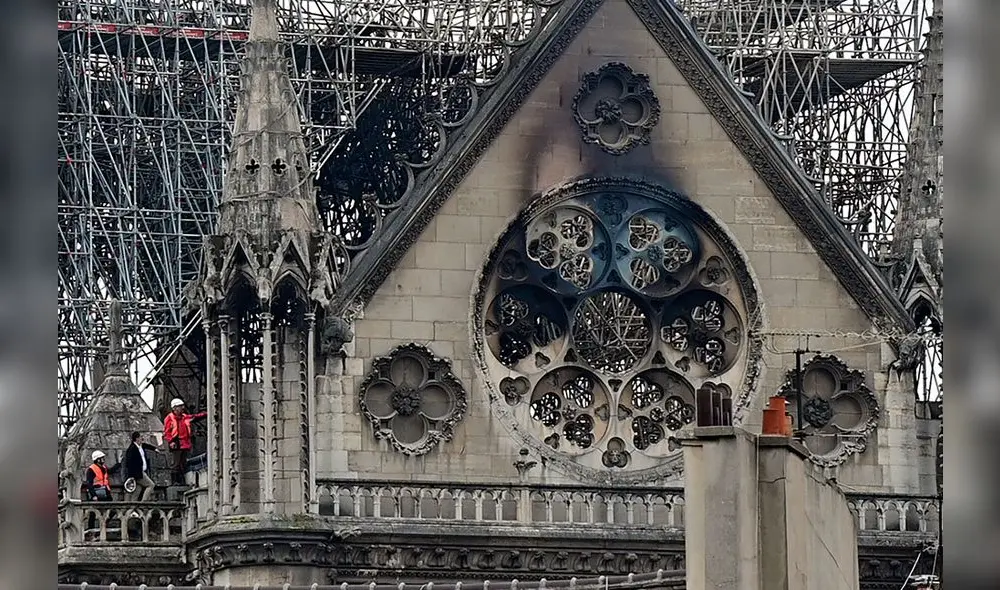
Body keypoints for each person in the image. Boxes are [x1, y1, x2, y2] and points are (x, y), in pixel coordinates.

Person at [163, 398, 206, 485]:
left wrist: (206, 414)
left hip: (185, 444)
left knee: (183, 463)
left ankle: (182, 481)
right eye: (179, 406)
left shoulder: (185, 417)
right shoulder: (169, 418)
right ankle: (175, 481)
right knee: (176, 463)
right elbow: (167, 432)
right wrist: (171, 441)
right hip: (176, 443)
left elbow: (195, 417)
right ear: (174, 408)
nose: (182, 408)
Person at [123, 431, 158, 502]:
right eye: (140, 437)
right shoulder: (132, 449)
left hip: (141, 472)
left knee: (137, 491)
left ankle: (132, 508)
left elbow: (146, 445)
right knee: (151, 485)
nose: (142, 438)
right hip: (138, 473)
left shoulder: (140, 446)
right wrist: (131, 476)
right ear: (136, 439)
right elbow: (129, 464)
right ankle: (143, 503)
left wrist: (154, 449)